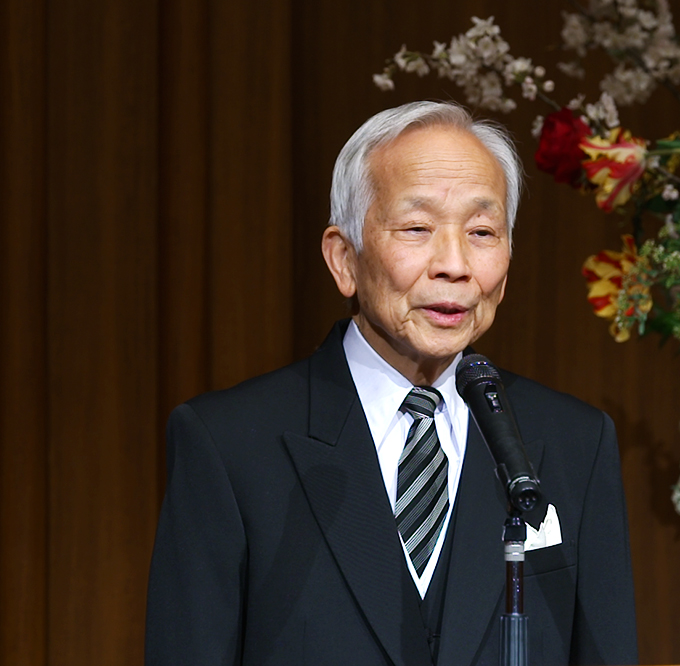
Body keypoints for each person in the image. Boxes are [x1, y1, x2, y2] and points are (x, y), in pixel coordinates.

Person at [145, 101, 637, 666]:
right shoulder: (229, 444)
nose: (454, 264)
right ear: (344, 258)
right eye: (417, 228)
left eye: (482, 230)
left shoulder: (575, 442)